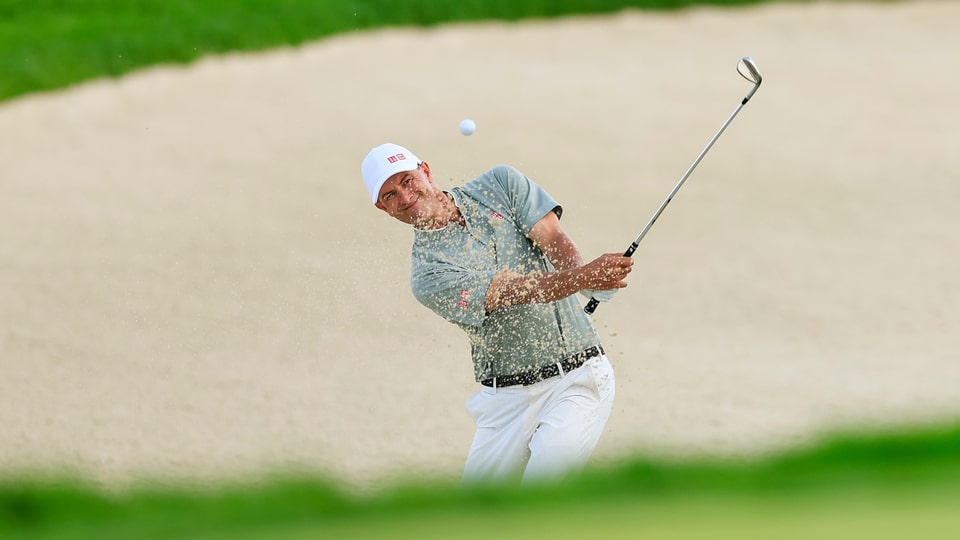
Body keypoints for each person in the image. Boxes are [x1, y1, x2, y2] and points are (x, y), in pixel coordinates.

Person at [360, 142, 633, 484]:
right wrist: (584, 277)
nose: (404, 196)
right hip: (504, 401)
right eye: (390, 195)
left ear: (426, 171)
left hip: (576, 378)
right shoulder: (427, 275)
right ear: (382, 208)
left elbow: (553, 238)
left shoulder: (500, 184)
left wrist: (587, 278)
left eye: (407, 180)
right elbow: (513, 292)